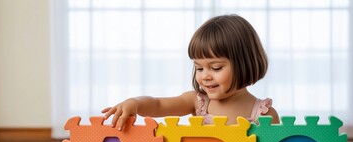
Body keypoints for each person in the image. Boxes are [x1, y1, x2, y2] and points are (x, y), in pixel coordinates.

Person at [102, 14, 279, 130]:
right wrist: (135, 103)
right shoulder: (198, 101)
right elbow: (158, 105)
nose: (205, 76)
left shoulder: (265, 114)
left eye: (216, 68)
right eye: (199, 68)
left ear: (245, 63)